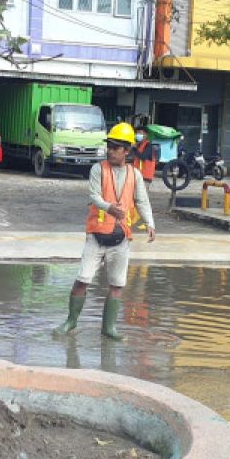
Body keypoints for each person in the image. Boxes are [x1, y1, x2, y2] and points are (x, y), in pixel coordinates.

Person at [56, 122, 156, 341]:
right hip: (97, 236)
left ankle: (109, 328)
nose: (110, 150)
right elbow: (94, 196)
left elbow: (142, 201)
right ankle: (71, 321)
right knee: (82, 279)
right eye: (109, 146)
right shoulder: (98, 169)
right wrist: (109, 207)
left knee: (117, 284)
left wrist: (150, 222)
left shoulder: (135, 175)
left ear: (127, 151)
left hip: (120, 238)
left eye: (116, 147)